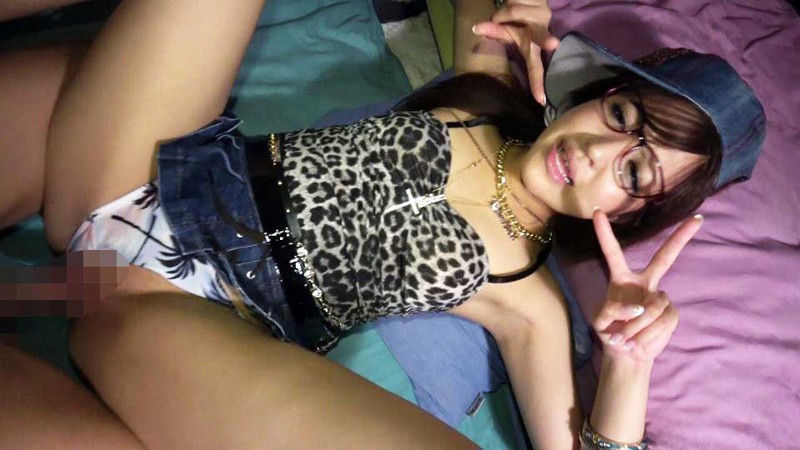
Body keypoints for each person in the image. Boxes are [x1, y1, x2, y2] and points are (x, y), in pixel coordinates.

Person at [0, 0, 764, 448]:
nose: (596, 153)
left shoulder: (528, 303)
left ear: (635, 211)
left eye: (635, 171)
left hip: (175, 316)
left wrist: (628, 363)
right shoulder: (485, 93)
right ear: (596, 93)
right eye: (621, 116)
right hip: (145, 163)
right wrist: (527, 12)